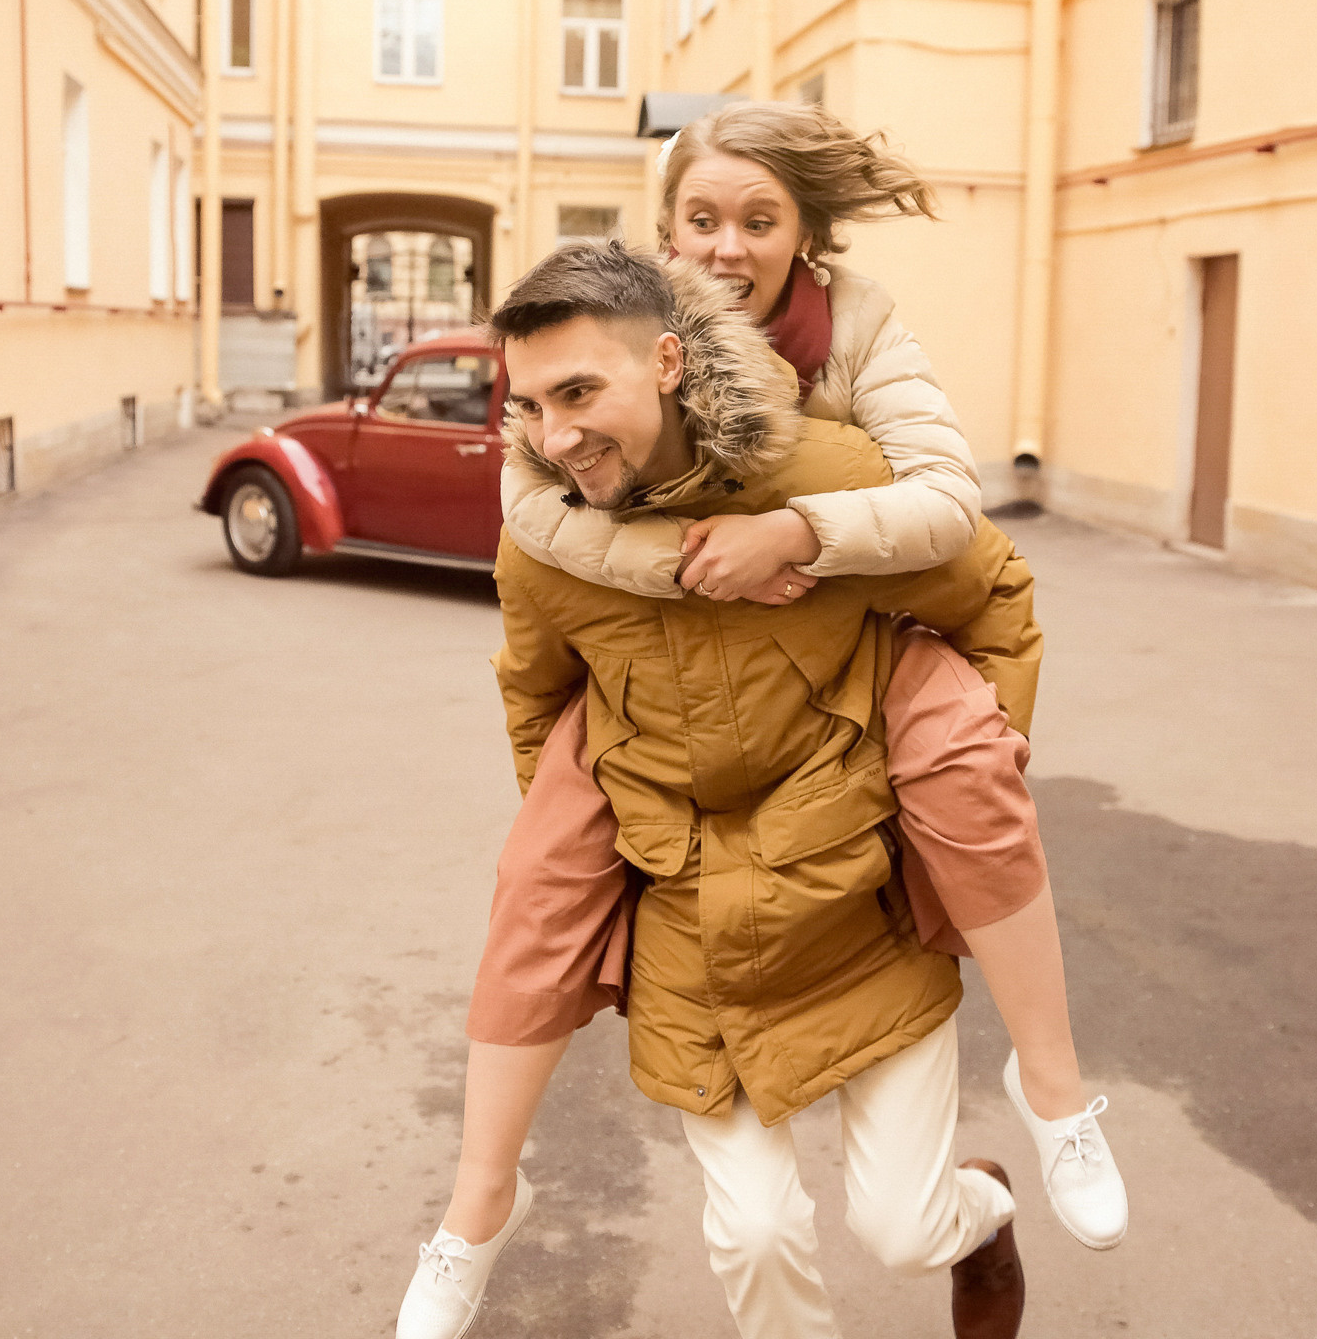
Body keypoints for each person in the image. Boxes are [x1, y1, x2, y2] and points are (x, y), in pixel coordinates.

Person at [407, 104, 1122, 1306]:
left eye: (759, 219)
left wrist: (954, 737)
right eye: (701, 219)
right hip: (695, 884)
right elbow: (534, 663)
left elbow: (961, 538)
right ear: (665, 236)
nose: (728, 244)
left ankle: (1039, 1114)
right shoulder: (560, 463)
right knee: (742, 1224)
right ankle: (478, 1203)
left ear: (802, 236)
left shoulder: (848, 390)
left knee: (901, 1223)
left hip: (844, 833)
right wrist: (607, 819)